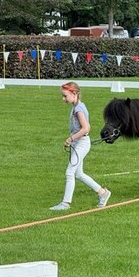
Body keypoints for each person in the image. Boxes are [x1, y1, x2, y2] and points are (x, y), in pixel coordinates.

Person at [50, 82, 111, 210]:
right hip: (78, 143)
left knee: (70, 172)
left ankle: (65, 203)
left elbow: (86, 128)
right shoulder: (77, 107)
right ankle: (102, 192)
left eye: (65, 96)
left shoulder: (78, 109)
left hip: (82, 143)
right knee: (78, 174)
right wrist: (73, 140)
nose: (63, 99)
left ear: (74, 94)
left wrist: (71, 138)